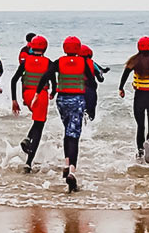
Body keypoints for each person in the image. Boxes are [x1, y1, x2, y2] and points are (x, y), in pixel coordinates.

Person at [36, 36, 95, 192]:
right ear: (78, 48)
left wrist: (37, 94)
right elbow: (93, 83)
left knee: (67, 132)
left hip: (62, 101)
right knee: (74, 136)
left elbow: (45, 76)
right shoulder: (83, 62)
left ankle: (66, 162)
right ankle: (72, 171)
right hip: (77, 101)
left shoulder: (58, 62)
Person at [10, 35, 52, 172]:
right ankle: (28, 163)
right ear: (45, 48)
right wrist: (54, 93)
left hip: (27, 96)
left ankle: (28, 140)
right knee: (39, 127)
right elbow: (55, 83)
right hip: (41, 96)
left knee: (36, 123)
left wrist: (14, 100)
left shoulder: (25, 62)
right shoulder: (48, 63)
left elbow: (14, 80)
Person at [80, 45, 108, 121]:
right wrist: (102, 74)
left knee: (79, 113)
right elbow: (100, 79)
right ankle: (88, 131)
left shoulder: (75, 63)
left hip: (76, 91)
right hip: (89, 90)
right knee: (90, 113)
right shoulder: (92, 63)